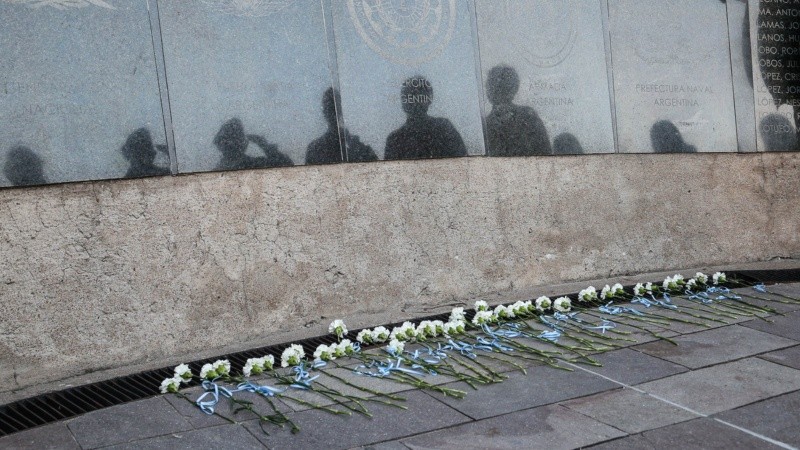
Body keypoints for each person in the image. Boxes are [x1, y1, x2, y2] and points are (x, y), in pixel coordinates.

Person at [384, 76, 467, 160]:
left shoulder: (395, 139)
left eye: (417, 94)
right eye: (409, 96)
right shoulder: (444, 127)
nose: (414, 101)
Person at [484, 65, 551, 156]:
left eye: (490, 86)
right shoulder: (528, 116)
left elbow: (545, 154)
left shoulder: (528, 117)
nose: (487, 89)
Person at [306, 88, 376, 164]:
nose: (333, 112)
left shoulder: (314, 150)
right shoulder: (314, 150)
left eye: (334, 108)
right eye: (330, 108)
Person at [214, 118, 292, 171]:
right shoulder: (252, 164)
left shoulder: (217, 170)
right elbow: (287, 165)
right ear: (242, 142)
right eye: (241, 135)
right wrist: (263, 144)